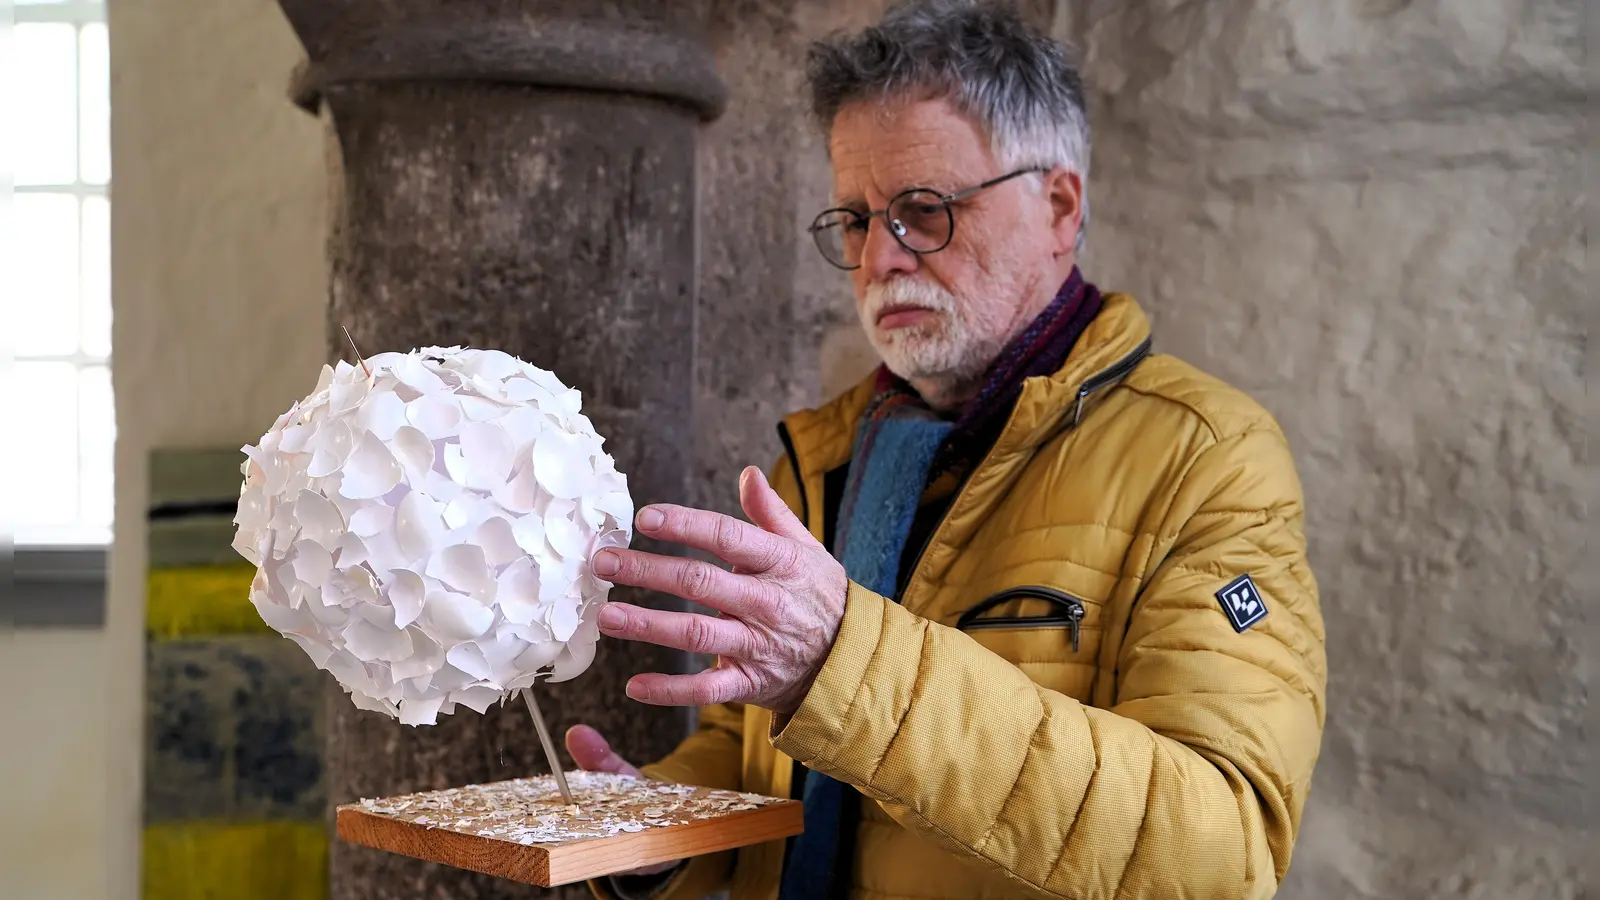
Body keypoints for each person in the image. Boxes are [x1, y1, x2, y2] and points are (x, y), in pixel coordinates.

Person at [568, 1, 1327, 897]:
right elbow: (766, 759)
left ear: (1057, 205)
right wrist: (658, 835)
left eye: (924, 211)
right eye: (853, 219)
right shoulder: (824, 457)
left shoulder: (1206, 460)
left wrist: (844, 662)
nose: (880, 259)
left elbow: (1219, 850)